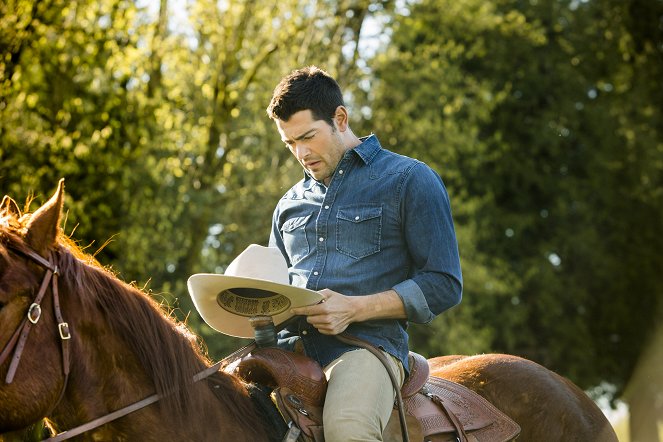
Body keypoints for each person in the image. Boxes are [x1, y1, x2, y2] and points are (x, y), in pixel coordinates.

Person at [266, 66, 462, 441]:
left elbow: (443, 284)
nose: (301, 153)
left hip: (366, 350)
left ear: (340, 118)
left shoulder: (409, 179)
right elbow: (276, 290)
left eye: (308, 136)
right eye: (290, 144)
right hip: (286, 353)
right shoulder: (288, 204)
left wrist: (354, 309)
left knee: (347, 428)